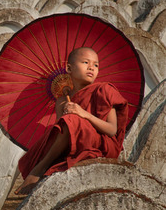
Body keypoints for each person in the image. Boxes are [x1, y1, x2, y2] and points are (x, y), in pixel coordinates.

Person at [15, 47, 128, 195]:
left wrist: (83, 114)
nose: (91, 68)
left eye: (96, 65)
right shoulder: (62, 101)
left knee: (72, 119)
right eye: (85, 62)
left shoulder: (103, 90)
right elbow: (61, 130)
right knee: (57, 129)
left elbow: (112, 130)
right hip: (76, 139)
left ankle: (39, 169)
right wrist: (65, 107)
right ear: (69, 68)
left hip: (102, 142)